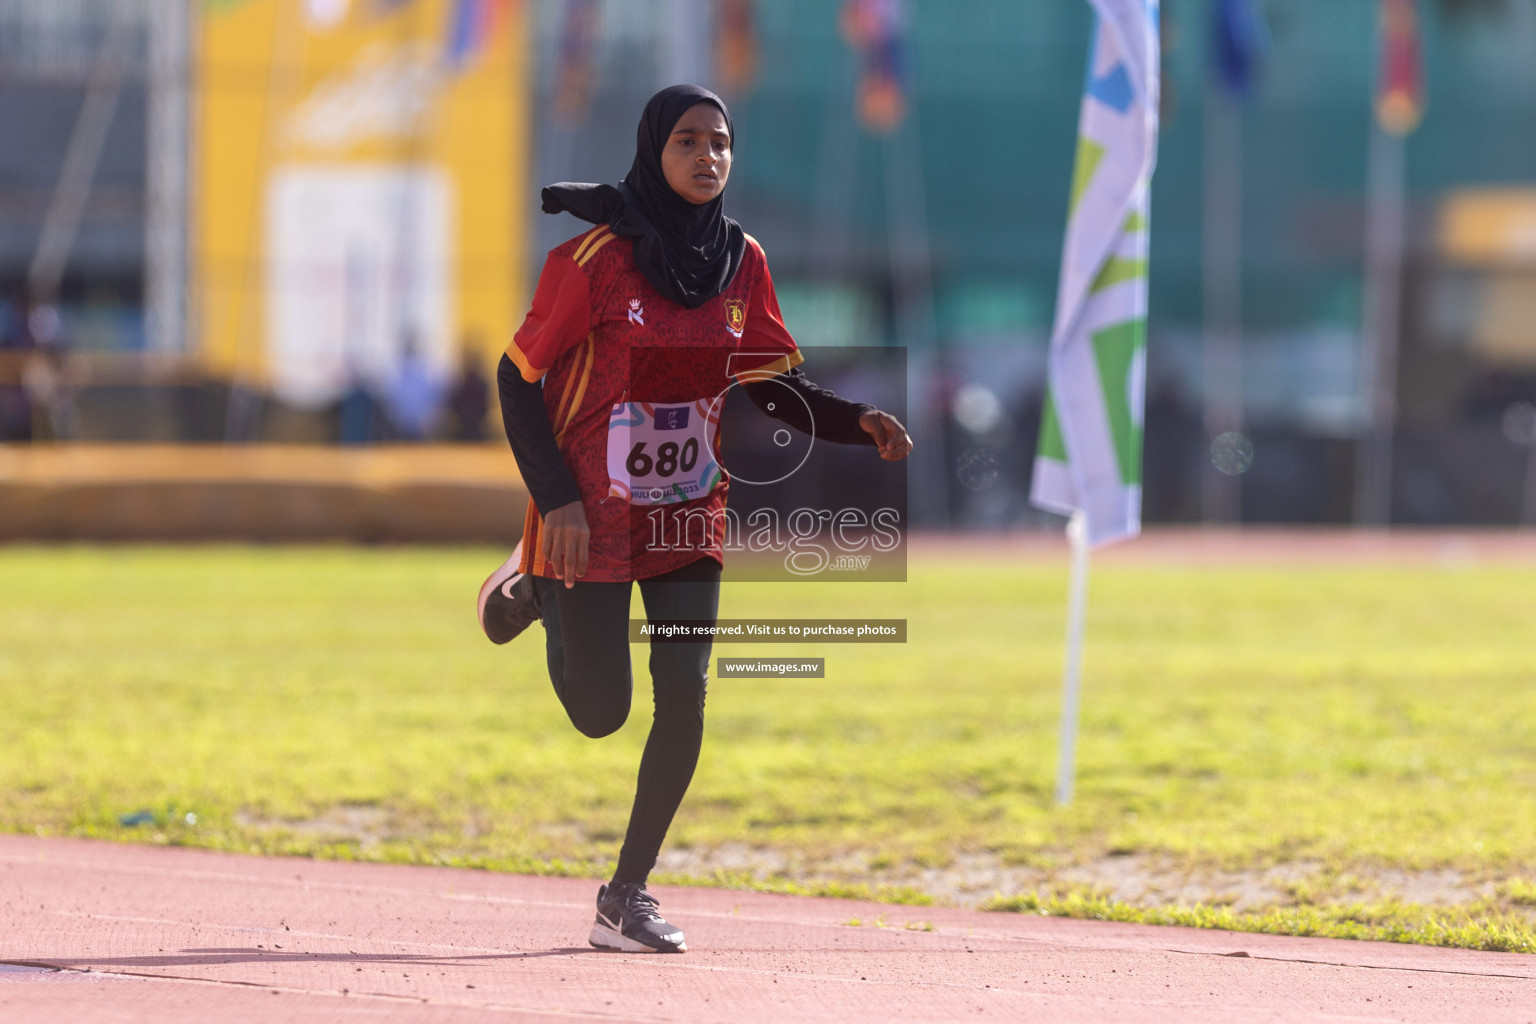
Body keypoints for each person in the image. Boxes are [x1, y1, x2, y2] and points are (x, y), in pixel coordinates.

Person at [476, 85, 912, 955]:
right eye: (687, 142)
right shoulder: (592, 260)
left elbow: (767, 385)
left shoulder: (743, 262)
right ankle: (533, 583)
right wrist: (555, 498)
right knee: (601, 711)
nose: (707, 157)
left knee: (686, 700)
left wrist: (853, 420)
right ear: (652, 150)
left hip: (687, 516)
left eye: (721, 143)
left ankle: (625, 894)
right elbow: (515, 379)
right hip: (585, 516)